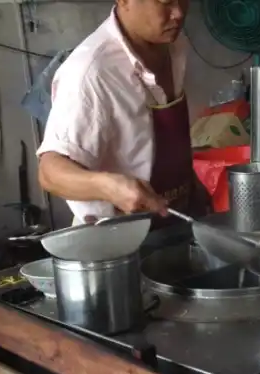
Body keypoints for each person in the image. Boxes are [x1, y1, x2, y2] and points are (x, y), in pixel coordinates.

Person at [37, 0, 209, 226]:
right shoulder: (91, 73)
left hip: (173, 225)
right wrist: (109, 187)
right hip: (117, 242)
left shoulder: (174, 44)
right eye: (165, 2)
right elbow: (50, 172)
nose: (178, 13)